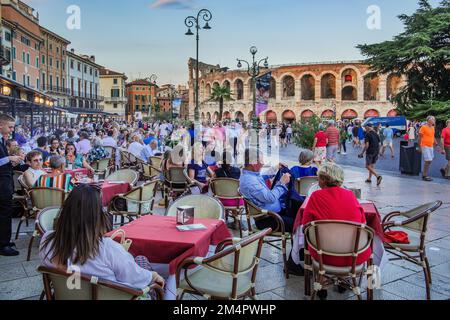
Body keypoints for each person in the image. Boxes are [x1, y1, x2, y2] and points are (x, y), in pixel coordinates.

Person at [39, 184, 165, 296]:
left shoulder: (46, 241)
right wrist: (153, 276)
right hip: (111, 294)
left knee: (138, 261)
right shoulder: (106, 248)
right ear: (96, 216)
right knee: (143, 263)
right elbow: (135, 279)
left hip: (66, 295)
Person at [301, 162, 371, 300]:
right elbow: (363, 223)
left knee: (317, 241)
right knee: (349, 240)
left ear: (324, 180)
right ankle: (342, 281)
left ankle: (323, 284)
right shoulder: (350, 195)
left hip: (323, 256)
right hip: (352, 256)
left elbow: (305, 226)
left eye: (319, 178)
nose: (317, 180)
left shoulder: (315, 197)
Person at [239, 148, 303, 275]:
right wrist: (282, 183)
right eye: (261, 160)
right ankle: (292, 263)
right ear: (253, 162)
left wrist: (275, 169)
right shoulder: (249, 181)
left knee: (301, 214)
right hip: (267, 220)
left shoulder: (250, 175)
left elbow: (261, 177)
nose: (263, 163)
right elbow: (270, 197)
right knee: (300, 224)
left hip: (273, 215)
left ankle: (299, 256)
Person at [0, 114, 22, 256]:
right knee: (4, 213)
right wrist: (9, 158)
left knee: (5, 212)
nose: (12, 130)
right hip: (1, 184)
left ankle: (4, 241)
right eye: (10, 127)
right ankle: (3, 245)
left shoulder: (3, 140)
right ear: (1, 125)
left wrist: (11, 162)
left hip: (4, 183)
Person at [419, 116, 438, 182]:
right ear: (428, 120)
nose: (434, 120)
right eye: (432, 119)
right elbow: (420, 137)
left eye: (434, 119)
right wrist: (419, 147)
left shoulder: (432, 128)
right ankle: (424, 175)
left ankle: (425, 174)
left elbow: (433, 136)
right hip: (424, 146)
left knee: (430, 160)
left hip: (430, 146)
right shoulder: (423, 127)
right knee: (428, 160)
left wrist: (436, 143)